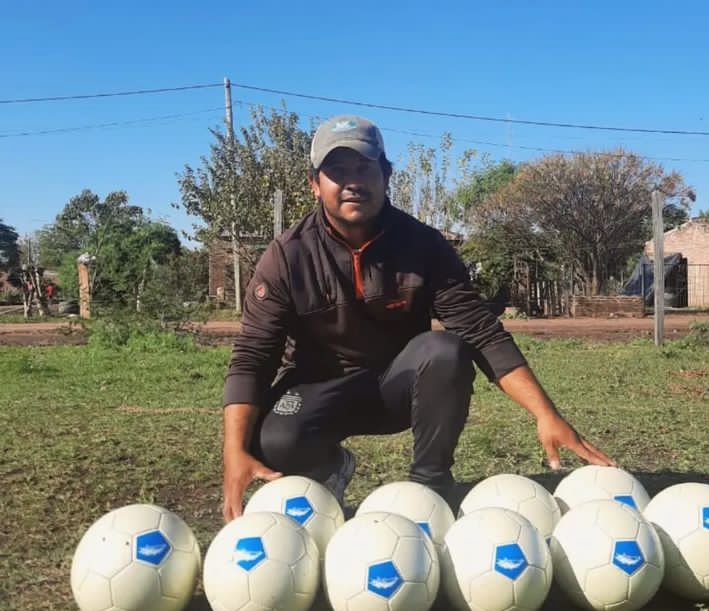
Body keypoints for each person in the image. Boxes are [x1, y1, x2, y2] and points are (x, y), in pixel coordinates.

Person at [222, 114, 613, 522]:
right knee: (273, 440)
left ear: (386, 174)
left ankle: (431, 487)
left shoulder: (423, 245)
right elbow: (252, 356)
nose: (352, 181)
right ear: (315, 183)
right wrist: (234, 453)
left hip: (396, 388)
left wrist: (545, 413)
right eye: (336, 170)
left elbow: (481, 332)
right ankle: (329, 469)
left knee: (445, 350)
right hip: (320, 391)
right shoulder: (288, 256)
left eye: (364, 167)